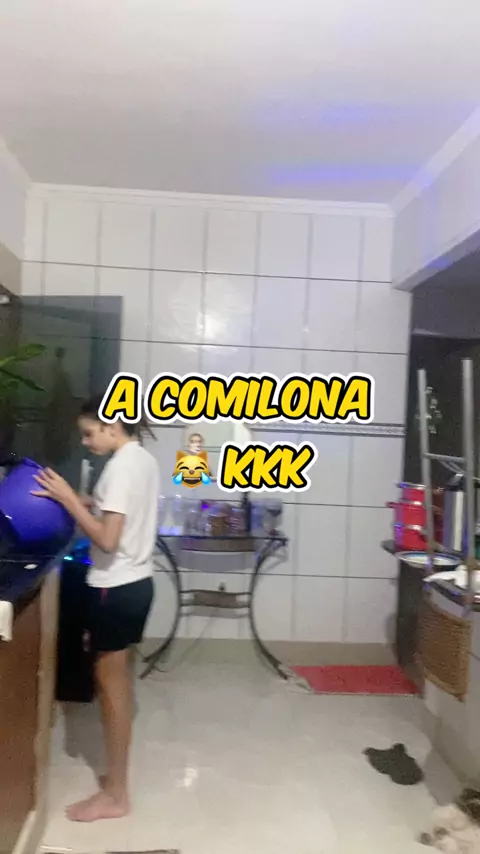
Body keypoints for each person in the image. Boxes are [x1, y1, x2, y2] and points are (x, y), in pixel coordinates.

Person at [32, 394, 160, 822]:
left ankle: (117, 795)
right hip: (136, 584)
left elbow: (106, 539)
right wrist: (85, 501)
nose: (86, 443)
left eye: (89, 433)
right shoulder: (142, 459)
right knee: (116, 683)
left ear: (112, 424)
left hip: (114, 587)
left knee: (111, 687)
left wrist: (70, 499)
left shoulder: (121, 467)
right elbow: (120, 512)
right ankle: (116, 783)